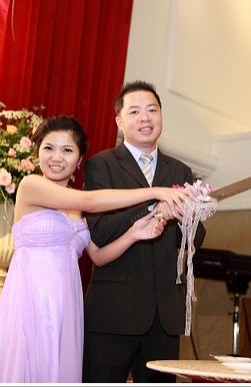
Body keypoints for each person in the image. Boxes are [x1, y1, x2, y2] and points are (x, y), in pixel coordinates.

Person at [0, 115, 195, 383]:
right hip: (33, 300)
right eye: (48, 148)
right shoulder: (31, 186)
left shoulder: (76, 209)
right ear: (37, 152)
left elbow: (98, 256)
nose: (57, 157)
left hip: (66, 303)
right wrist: (155, 192)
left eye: (67, 150)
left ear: (78, 160)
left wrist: (134, 234)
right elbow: (89, 201)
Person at [82, 80, 207, 383]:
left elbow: (195, 240)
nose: (145, 118)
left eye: (152, 110)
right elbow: (100, 231)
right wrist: (155, 206)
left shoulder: (180, 171)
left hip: (164, 317)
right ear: (119, 121)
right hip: (113, 312)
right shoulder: (101, 166)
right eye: (135, 111)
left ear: (161, 115)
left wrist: (187, 220)